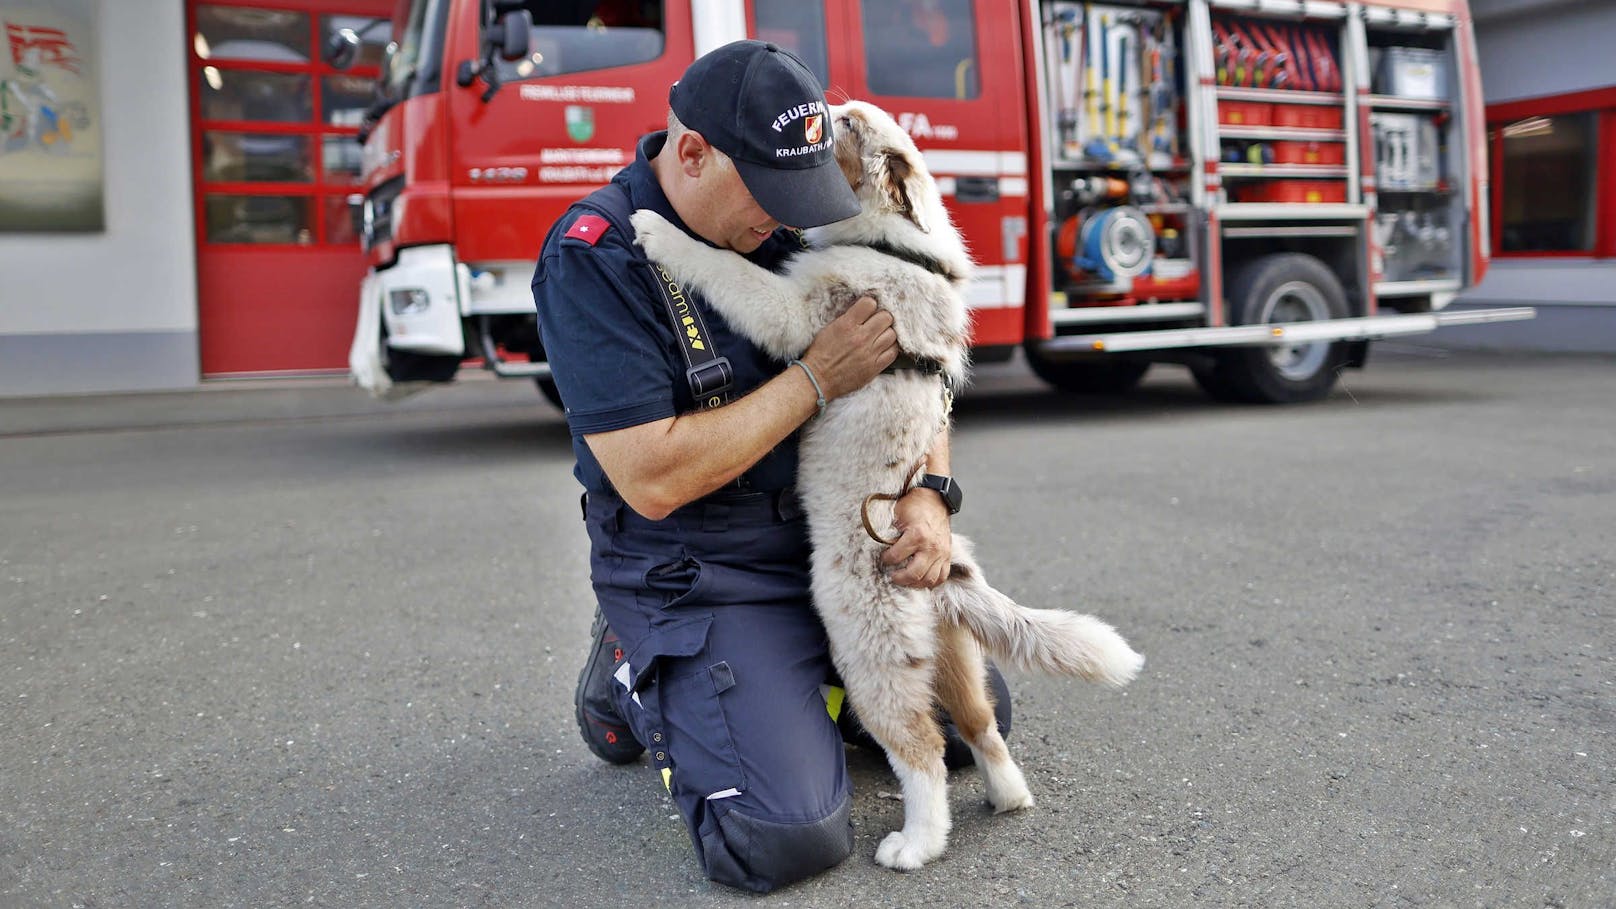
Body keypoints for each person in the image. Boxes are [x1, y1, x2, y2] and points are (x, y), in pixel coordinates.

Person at [530, 40, 1003, 892]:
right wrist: (816, 377)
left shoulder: (788, 221)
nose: (786, 218)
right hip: (698, 562)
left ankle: (796, 695)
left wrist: (930, 496)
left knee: (974, 715)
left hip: (824, 540)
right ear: (693, 153)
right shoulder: (595, 255)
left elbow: (919, 374)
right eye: (769, 192)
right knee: (782, 837)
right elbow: (654, 477)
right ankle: (634, 671)